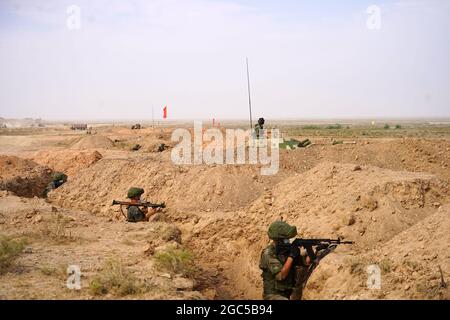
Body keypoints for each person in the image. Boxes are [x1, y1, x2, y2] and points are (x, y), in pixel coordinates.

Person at [259, 220, 310, 300]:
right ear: (279, 239)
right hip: (273, 295)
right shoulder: (269, 253)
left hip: (287, 294)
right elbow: (281, 276)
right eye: (286, 239)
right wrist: (291, 256)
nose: (288, 240)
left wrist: (312, 250)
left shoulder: (285, 250)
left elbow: (306, 262)